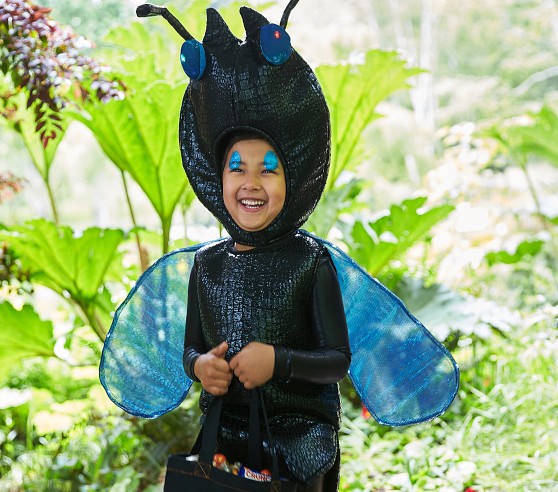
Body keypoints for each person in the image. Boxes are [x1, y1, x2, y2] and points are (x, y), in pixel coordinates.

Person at [182, 131, 351, 491]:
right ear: (219, 178)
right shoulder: (206, 264)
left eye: (268, 170)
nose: (251, 183)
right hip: (224, 440)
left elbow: (337, 360)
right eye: (238, 169)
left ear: (291, 181)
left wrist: (279, 361)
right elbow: (191, 348)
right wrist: (200, 366)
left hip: (300, 445)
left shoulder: (311, 261)